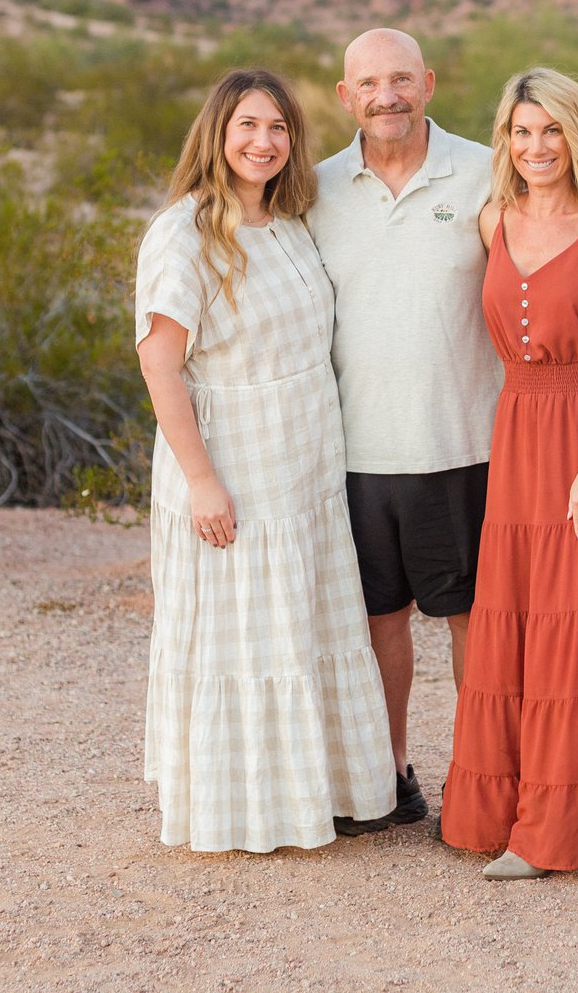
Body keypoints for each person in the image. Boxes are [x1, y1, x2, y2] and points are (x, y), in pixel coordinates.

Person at [134, 68, 395, 853]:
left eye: (278, 127)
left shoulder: (288, 222)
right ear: (217, 133)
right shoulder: (184, 233)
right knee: (243, 633)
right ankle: (243, 809)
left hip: (303, 461)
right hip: (233, 462)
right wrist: (201, 482)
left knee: (301, 624)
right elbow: (159, 363)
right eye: (247, 125)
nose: (264, 141)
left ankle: (320, 794)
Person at [440, 67, 578, 880]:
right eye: (522, 132)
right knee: (514, 622)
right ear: (506, 140)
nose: (537, 147)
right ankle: (499, 814)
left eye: (552, 130)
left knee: (571, 628)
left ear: (577, 133)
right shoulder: (492, 219)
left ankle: (553, 832)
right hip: (516, 434)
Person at [306, 29, 502, 831]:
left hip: (462, 443)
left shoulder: (486, 171)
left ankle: (482, 780)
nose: (385, 96)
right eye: (368, 84)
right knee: (376, 622)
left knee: (470, 622)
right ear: (345, 97)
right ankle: (388, 776)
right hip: (355, 454)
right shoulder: (315, 189)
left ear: (428, 82)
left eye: (400, 79)